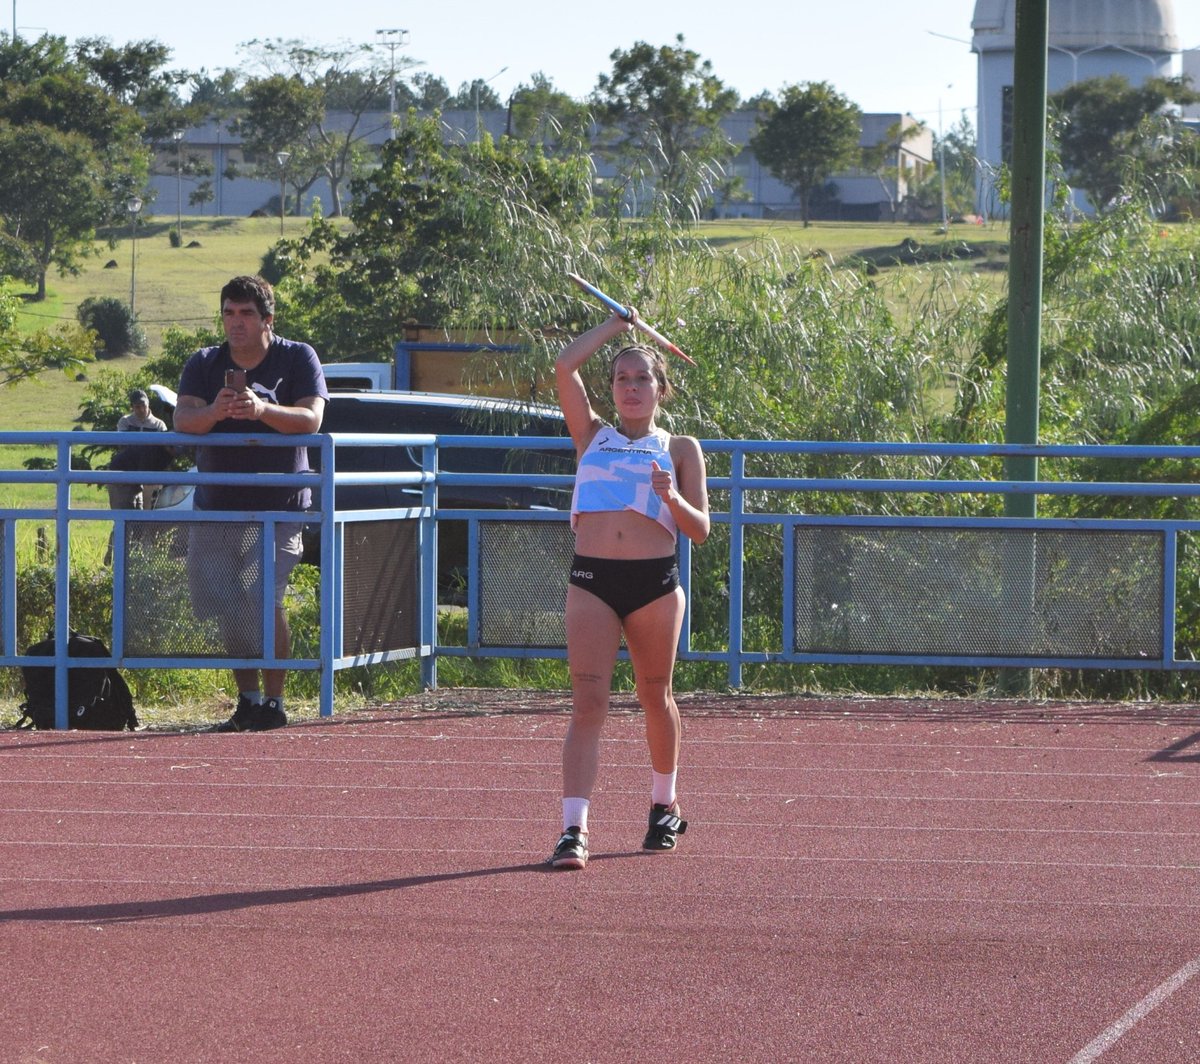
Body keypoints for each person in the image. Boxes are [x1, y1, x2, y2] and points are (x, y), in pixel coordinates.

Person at [548, 309, 710, 870]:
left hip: (654, 585)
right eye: (622, 379)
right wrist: (618, 327)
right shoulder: (592, 435)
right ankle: (573, 830)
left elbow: (700, 530)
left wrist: (672, 498)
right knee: (587, 703)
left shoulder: (680, 448)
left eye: (643, 378)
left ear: (661, 389)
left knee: (654, 695)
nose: (632, 387)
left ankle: (663, 806)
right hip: (593, 581)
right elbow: (564, 366)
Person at [174, 275, 328, 732]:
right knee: (229, 603)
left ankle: (276, 704)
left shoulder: (298, 356)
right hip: (217, 505)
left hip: (280, 506)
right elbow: (183, 420)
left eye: (246, 313)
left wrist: (262, 410)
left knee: (264, 598)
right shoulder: (204, 362)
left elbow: (312, 419)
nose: (235, 323)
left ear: (268, 319)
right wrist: (215, 411)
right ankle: (248, 701)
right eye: (229, 313)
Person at [108, 389, 170, 511]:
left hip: (148, 473)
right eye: (137, 407)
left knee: (143, 510)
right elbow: (123, 446)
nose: (141, 409)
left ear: (148, 404)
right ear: (132, 407)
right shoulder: (125, 421)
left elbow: (162, 452)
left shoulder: (159, 425)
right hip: (126, 471)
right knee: (123, 508)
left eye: (143, 406)